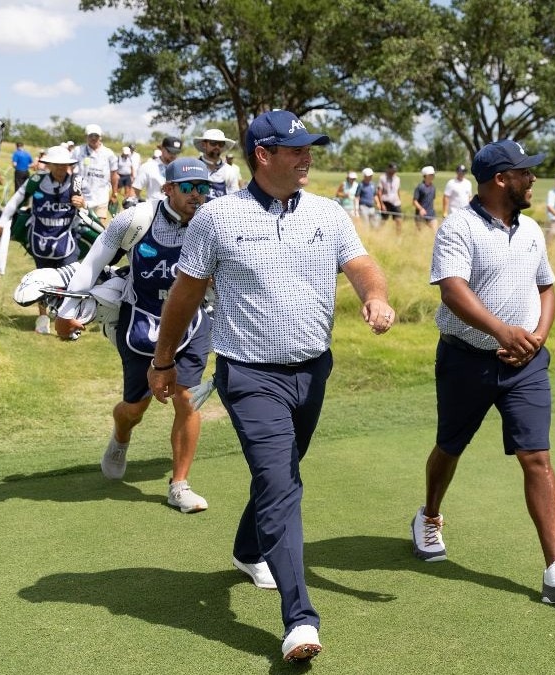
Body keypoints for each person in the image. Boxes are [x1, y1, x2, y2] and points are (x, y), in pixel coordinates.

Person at [148, 110, 395, 664]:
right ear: (263, 155)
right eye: (296, 149)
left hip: (313, 369)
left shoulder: (327, 213)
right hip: (249, 374)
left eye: (309, 148)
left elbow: (361, 264)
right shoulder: (218, 218)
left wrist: (374, 297)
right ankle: (299, 619)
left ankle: (246, 549)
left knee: (279, 472)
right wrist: (163, 362)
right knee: (281, 484)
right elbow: (184, 296)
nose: (307, 157)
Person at [411, 139, 555, 605]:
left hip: (526, 365)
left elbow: (546, 288)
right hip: (465, 360)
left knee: (536, 456)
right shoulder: (459, 227)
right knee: (450, 445)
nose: (533, 179)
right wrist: (503, 331)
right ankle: (430, 515)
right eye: (525, 172)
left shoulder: (532, 230)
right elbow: (452, 291)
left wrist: (535, 338)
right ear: (501, 179)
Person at [55, 157, 214, 513]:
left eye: (203, 187)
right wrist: (65, 313)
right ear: (168, 189)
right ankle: (121, 434)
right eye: (188, 187)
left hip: (191, 322)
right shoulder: (135, 220)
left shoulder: (212, 222)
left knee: (187, 399)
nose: (197, 194)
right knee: (134, 409)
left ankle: (179, 485)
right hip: (141, 322)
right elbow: (93, 262)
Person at [0, 145, 85, 334]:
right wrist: (0, 223)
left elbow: (87, 206)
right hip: (41, 240)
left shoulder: (77, 182)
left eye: (64, 164)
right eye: (56, 164)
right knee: (41, 280)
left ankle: (67, 320)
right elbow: (15, 201)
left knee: (72, 281)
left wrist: (83, 203)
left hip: (66, 240)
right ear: (48, 165)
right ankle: (43, 319)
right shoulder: (36, 180)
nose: (60, 168)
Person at [71, 124, 119, 226]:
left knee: (99, 227)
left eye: (96, 136)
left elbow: (114, 174)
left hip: (101, 196)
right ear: (86, 137)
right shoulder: (78, 151)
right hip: (82, 196)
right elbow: (70, 170)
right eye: (91, 136)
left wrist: (114, 193)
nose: (93, 138)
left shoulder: (108, 153)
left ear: (100, 137)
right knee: (80, 226)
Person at [192, 128, 241, 198]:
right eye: (213, 142)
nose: (217, 147)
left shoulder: (229, 171)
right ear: (204, 144)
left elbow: (234, 198)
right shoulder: (193, 168)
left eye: (221, 144)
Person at [134, 137, 181, 202]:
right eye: (170, 151)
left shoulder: (180, 169)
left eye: (176, 153)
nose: (173, 155)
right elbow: (135, 190)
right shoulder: (148, 166)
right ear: (162, 149)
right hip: (154, 207)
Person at [376, 162, 403, 231]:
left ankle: (398, 235)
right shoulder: (382, 178)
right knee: (383, 220)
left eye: (395, 170)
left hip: (396, 202)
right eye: (392, 170)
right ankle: (378, 233)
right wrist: (381, 204)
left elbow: (398, 190)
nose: (394, 172)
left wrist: (399, 200)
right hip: (386, 202)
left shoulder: (397, 179)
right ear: (388, 169)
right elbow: (379, 192)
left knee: (399, 220)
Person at [412, 165, 438, 231]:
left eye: (433, 174)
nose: (433, 176)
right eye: (431, 174)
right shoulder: (419, 187)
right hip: (420, 215)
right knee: (420, 234)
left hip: (431, 214)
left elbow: (432, 200)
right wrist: (421, 209)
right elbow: (414, 201)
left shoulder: (433, 187)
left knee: (435, 232)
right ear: (426, 175)